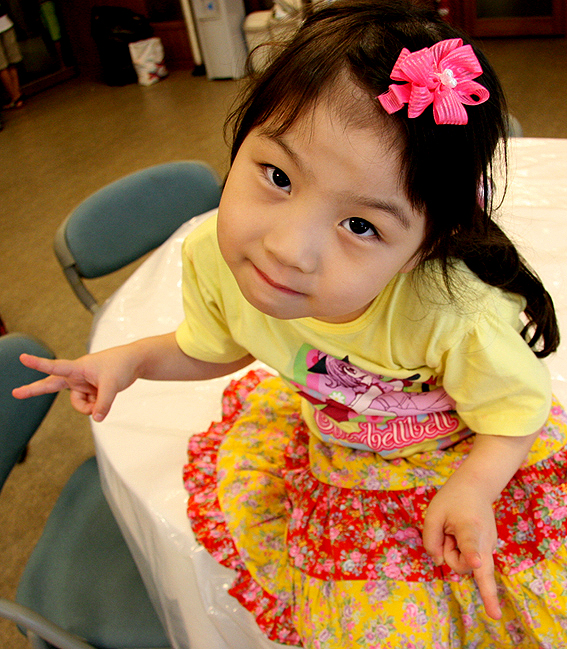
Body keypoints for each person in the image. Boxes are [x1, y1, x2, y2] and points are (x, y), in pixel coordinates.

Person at [14, 0, 567, 646]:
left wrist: (473, 486)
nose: (287, 249)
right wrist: (132, 359)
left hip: (459, 452)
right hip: (334, 449)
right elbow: (219, 347)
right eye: (277, 176)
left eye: (359, 225)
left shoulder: (455, 315)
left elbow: (513, 414)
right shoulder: (216, 260)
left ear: (426, 245)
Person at [0, 0, 23, 109]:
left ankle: (14, 96)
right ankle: (17, 94)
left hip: (5, 22)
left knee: (2, 66)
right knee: (13, 60)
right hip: (5, 22)